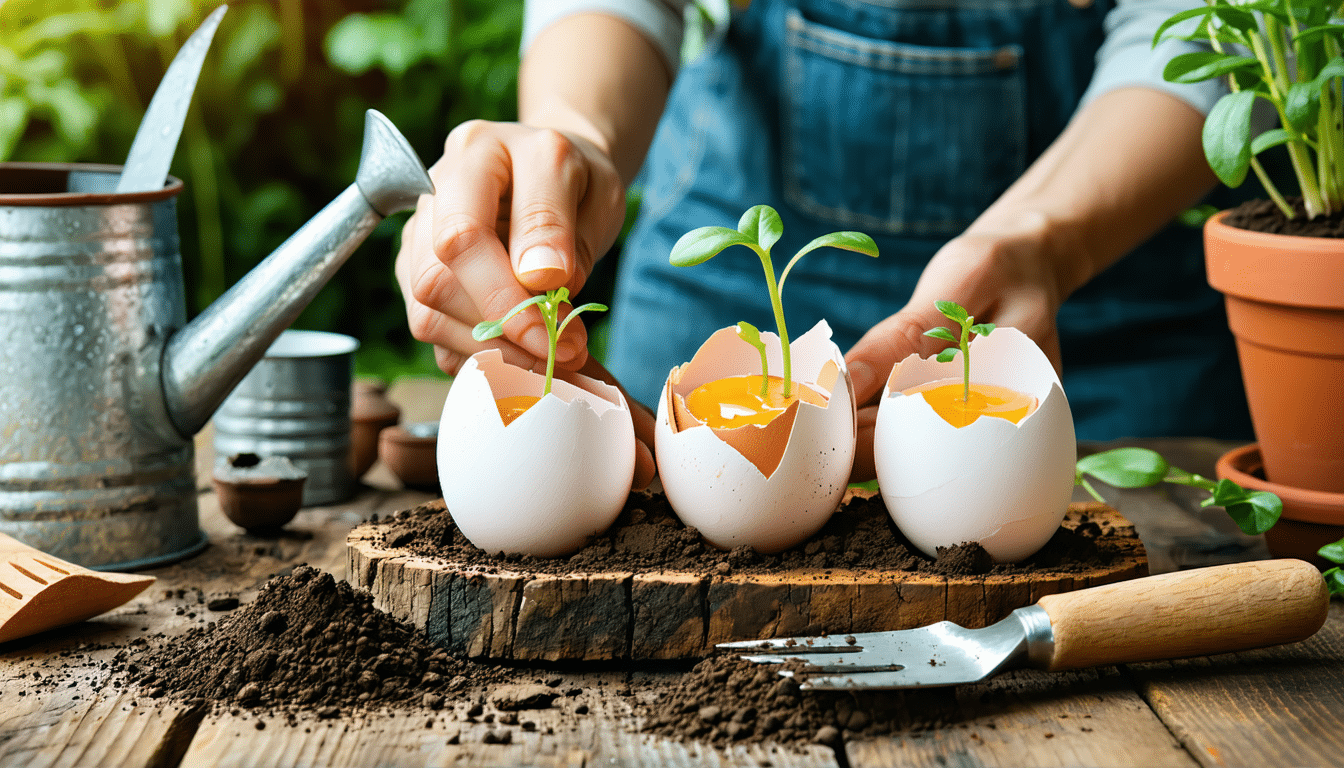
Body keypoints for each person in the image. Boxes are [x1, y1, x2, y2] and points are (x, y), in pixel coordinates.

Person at [395, 0, 1254, 485]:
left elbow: (1202, 27)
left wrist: (1047, 241)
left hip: (1110, 290)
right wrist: (573, 137)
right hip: (729, 249)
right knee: (686, 501)